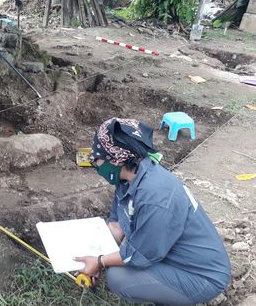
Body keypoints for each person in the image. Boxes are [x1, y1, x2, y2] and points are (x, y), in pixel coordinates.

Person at [75, 118, 231, 306]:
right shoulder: (129, 178)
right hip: (175, 259)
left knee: (119, 277)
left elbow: (139, 256)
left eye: (96, 159)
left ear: (115, 159)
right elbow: (116, 226)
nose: (95, 164)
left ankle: (176, 297)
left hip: (201, 277)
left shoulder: (156, 196)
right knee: (114, 262)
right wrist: (94, 256)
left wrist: (100, 261)